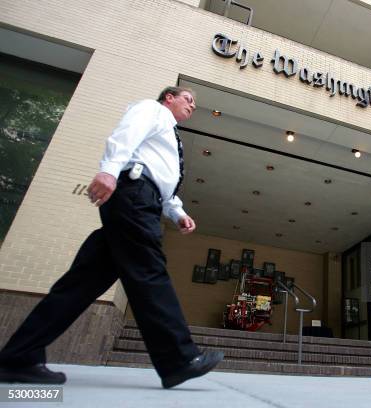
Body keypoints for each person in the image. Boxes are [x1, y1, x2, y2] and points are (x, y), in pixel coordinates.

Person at [0, 86, 223, 389]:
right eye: (188, 99)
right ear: (168, 97)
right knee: (148, 270)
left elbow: (162, 178)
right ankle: (178, 359)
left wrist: (176, 212)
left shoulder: (170, 135)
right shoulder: (152, 110)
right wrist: (108, 170)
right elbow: (127, 135)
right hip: (133, 195)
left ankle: (18, 356)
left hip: (144, 198)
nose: (193, 106)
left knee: (79, 285)